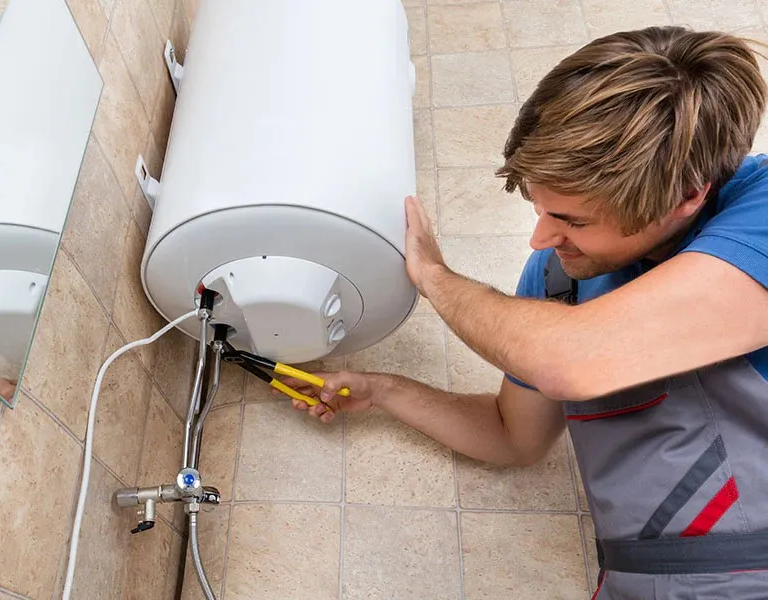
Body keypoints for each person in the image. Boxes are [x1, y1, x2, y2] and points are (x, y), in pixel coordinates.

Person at [284, 26, 768, 598]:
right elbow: (514, 437)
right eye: (540, 208)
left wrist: (435, 277)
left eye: (573, 220)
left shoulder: (758, 212)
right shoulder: (559, 281)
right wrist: (383, 390)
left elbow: (570, 361)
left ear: (686, 195)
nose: (541, 238)